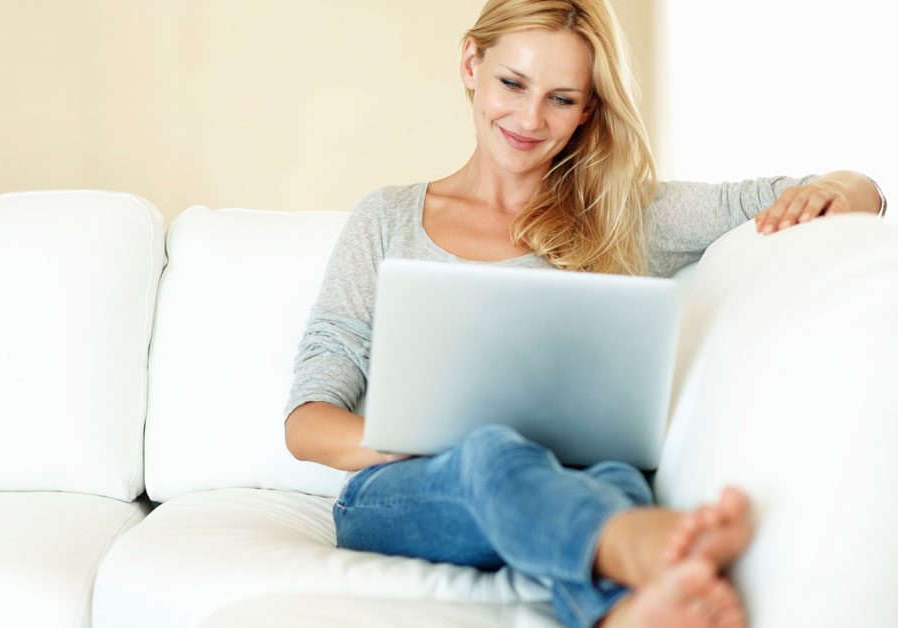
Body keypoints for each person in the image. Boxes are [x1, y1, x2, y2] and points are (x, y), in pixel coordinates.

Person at [283, 1, 887, 627]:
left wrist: (847, 189)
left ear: (590, 108)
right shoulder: (386, 218)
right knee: (492, 453)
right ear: (471, 63)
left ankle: (623, 612)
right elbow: (307, 422)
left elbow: (830, 190)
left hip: (576, 481)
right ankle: (640, 547)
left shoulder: (622, 216)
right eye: (512, 84)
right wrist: (419, 443)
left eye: (562, 99)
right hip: (407, 494)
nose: (529, 118)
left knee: (615, 478)